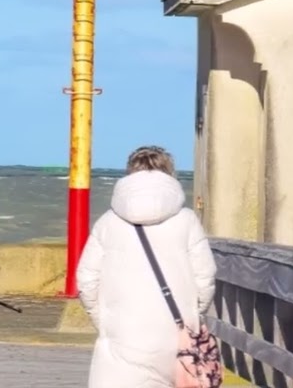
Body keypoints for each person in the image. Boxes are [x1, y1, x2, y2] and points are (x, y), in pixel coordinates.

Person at [76, 146, 218, 387]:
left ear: (129, 174)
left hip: (122, 334)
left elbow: (86, 280)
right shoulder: (186, 220)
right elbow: (205, 278)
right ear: (169, 173)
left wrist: (104, 321)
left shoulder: (108, 222)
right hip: (175, 335)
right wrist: (193, 317)